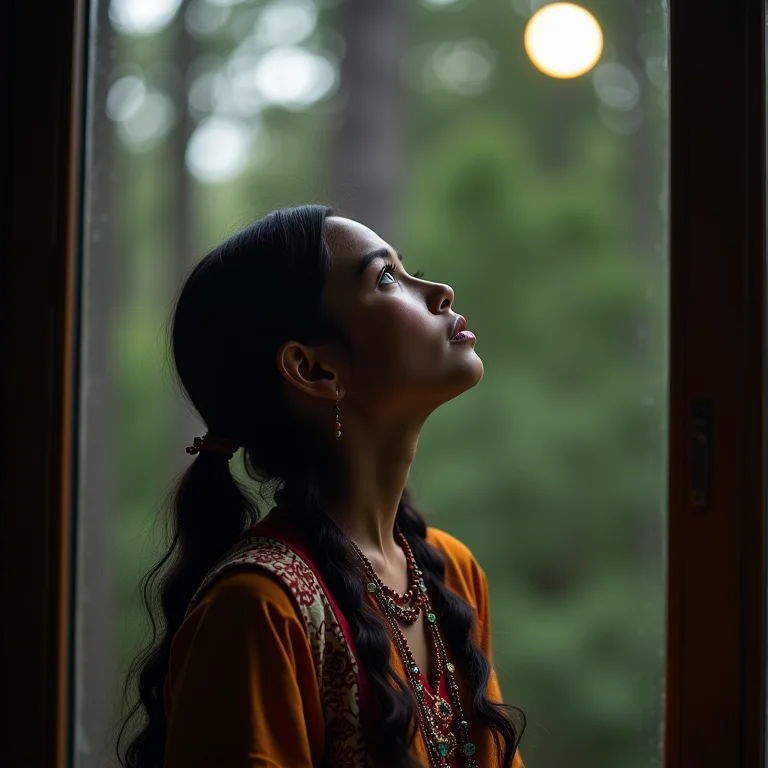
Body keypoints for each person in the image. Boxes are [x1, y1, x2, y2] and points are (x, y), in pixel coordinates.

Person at [117, 205, 525, 768]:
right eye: (387, 278)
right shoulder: (257, 610)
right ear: (313, 370)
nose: (441, 292)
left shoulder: (451, 573)